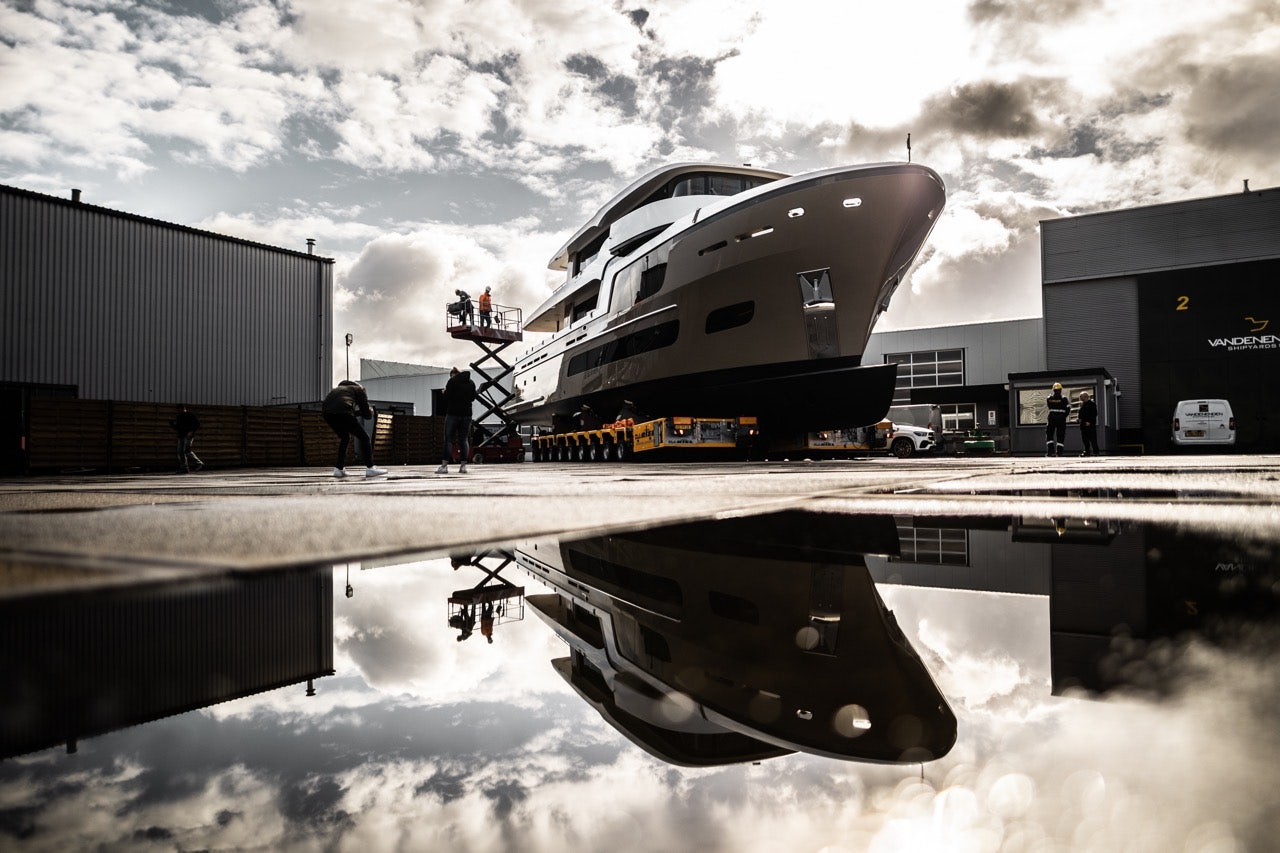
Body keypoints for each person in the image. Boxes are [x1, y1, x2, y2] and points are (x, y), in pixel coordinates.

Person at [322, 380, 387, 478]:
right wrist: (370, 411)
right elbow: (367, 415)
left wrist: (359, 413)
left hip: (327, 413)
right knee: (365, 438)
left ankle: (338, 469)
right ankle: (370, 468)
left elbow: (348, 412)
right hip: (343, 412)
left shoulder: (340, 389)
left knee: (345, 437)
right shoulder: (359, 390)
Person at [437, 367, 478, 474]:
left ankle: (444, 467)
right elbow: (474, 397)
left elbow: (447, 396)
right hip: (467, 415)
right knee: (464, 440)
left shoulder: (452, 381)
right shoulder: (471, 382)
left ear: (453, 374)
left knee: (448, 439)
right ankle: (463, 467)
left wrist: (445, 392)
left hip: (453, 414)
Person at [170, 404, 203, 473]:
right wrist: (173, 426)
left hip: (188, 436)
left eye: (179, 410)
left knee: (186, 451)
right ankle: (185, 468)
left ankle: (198, 464)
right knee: (180, 452)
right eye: (177, 410)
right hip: (181, 436)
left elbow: (197, 424)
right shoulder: (179, 417)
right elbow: (179, 428)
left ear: (183, 408)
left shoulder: (190, 415)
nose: (178, 411)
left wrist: (191, 431)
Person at [1045, 382, 1069, 457]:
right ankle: (1059, 452)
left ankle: (1050, 452)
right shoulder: (1064, 399)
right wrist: (1063, 416)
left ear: (1053, 390)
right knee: (1060, 435)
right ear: (1060, 390)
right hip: (1061, 418)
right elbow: (1068, 409)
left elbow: (1049, 406)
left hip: (1052, 418)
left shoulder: (1049, 398)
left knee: (1049, 434)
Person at [1078, 390, 1099, 456]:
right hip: (1083, 425)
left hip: (1090, 425)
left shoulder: (1092, 404)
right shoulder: (1082, 404)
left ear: (1085, 397)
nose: (1080, 398)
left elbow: (1094, 414)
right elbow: (1080, 413)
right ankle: (1087, 452)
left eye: (1081, 396)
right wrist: (1079, 419)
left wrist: (1090, 422)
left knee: (1093, 439)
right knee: (1085, 440)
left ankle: (1096, 452)